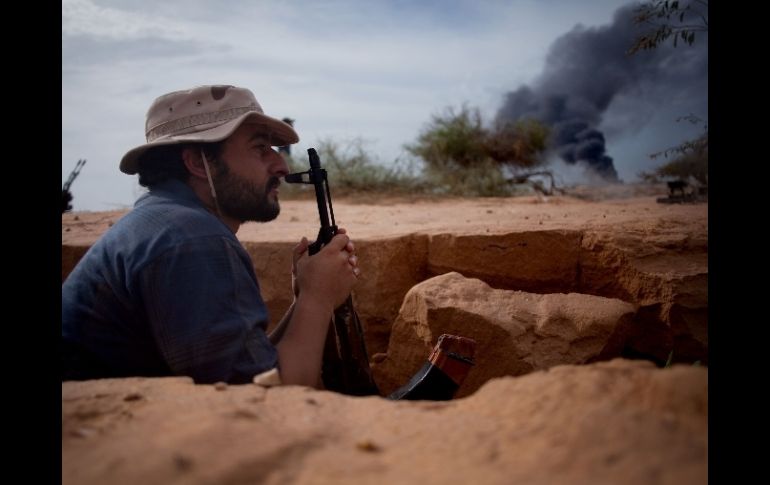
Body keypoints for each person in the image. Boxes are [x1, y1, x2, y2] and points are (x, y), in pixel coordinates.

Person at [62, 84, 360, 387]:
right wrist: (318, 298)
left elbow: (246, 369)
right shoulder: (192, 240)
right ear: (197, 163)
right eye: (259, 148)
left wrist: (303, 299)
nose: (281, 166)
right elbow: (263, 400)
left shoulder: (167, 221)